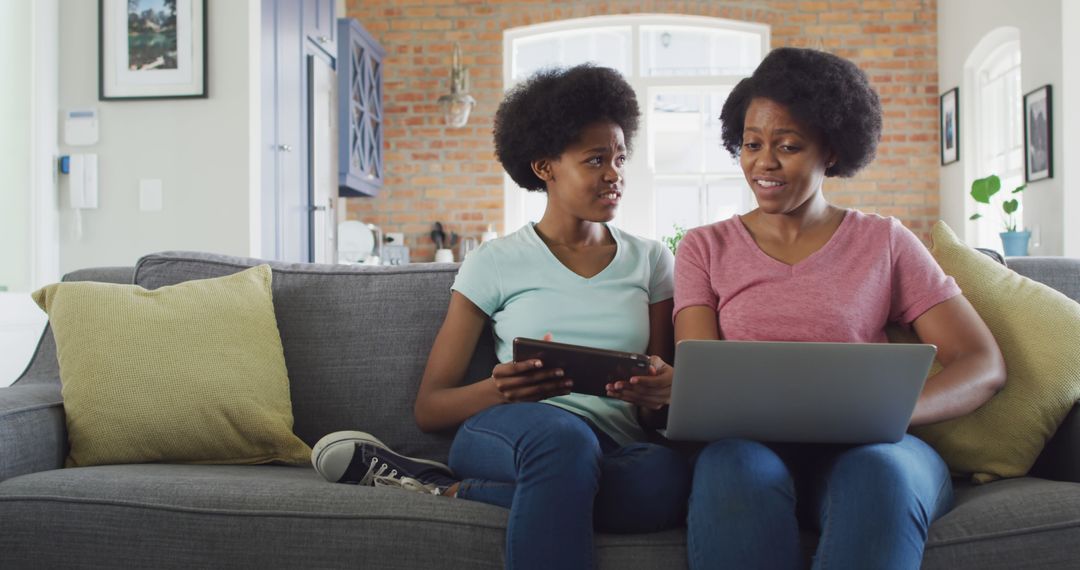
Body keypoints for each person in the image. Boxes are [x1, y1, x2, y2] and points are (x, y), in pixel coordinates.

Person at [311, 64, 690, 570]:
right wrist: (503, 389)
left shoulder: (651, 261)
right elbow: (431, 408)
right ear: (545, 167)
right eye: (596, 159)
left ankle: (444, 491)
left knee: (663, 480)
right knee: (565, 441)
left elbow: (654, 413)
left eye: (620, 158)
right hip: (510, 431)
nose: (614, 173)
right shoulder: (494, 261)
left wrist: (659, 392)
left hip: (615, 447)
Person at [670, 47, 1007, 569]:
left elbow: (981, 363)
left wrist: (892, 415)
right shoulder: (704, 247)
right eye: (752, 144)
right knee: (731, 465)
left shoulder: (885, 241)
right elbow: (702, 378)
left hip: (872, 453)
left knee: (877, 474)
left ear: (830, 151)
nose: (765, 163)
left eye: (789, 146)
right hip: (749, 450)